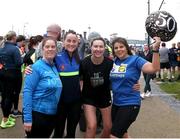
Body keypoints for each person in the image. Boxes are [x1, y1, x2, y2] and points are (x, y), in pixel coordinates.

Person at [79, 37, 140, 138]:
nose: (98, 49)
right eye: (95, 46)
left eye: (100, 47)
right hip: (88, 98)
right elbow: (80, 80)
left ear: (104, 48)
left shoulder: (110, 63)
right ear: (91, 47)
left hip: (104, 97)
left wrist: (135, 83)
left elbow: (125, 73)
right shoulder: (84, 63)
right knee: (92, 126)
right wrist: (80, 96)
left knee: (108, 127)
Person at [109, 36, 161, 138]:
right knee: (124, 134)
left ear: (126, 47)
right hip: (116, 103)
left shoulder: (135, 60)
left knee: (114, 135)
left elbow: (154, 68)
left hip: (130, 103)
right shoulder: (115, 62)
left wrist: (155, 49)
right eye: (116, 48)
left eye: (121, 46)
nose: (119, 49)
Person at [22, 37, 62, 138]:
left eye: (53, 47)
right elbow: (27, 92)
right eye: (47, 46)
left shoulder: (54, 66)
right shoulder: (35, 67)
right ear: (42, 49)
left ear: (56, 50)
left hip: (51, 115)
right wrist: (27, 119)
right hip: (37, 115)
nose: (50, 49)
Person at [53, 30, 82, 138]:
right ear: (63, 42)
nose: (71, 43)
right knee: (58, 132)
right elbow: (43, 65)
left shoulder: (81, 59)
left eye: (74, 41)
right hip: (60, 102)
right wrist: (30, 68)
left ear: (77, 43)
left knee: (71, 133)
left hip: (76, 102)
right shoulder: (56, 57)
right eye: (68, 40)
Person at [0, 31, 22, 128]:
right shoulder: (14, 49)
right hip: (12, 74)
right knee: (9, 97)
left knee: (4, 96)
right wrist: (22, 58)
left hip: (2, 73)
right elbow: (18, 63)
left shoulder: (2, 47)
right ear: (13, 37)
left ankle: (7, 117)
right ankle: (5, 120)